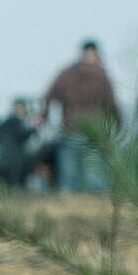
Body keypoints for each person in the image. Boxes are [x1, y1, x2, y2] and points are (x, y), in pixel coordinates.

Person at [41, 39, 121, 193]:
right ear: (97, 54)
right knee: (94, 179)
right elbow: (112, 104)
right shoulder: (102, 75)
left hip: (70, 129)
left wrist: (44, 116)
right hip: (93, 132)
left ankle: (66, 205)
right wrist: (118, 124)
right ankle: (96, 207)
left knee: (68, 179)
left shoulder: (66, 73)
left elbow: (48, 96)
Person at [0, 97, 38, 187]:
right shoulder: (15, 122)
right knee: (15, 186)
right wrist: (33, 128)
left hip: (4, 159)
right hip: (14, 160)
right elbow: (21, 135)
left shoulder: (6, 122)